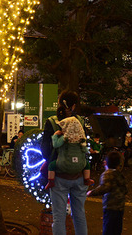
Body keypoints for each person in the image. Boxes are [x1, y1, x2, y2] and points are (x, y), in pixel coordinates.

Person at [41, 90, 89, 235]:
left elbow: (44, 150)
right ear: (73, 106)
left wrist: (56, 162)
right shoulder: (80, 121)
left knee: (59, 216)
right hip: (80, 175)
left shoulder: (52, 122)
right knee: (79, 214)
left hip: (59, 177)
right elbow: (85, 145)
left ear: (60, 104)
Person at [45, 115, 94, 190]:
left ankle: (50, 181)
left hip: (64, 163)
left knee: (51, 165)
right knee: (87, 164)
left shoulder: (64, 138)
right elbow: (84, 149)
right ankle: (87, 179)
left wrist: (55, 135)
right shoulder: (80, 138)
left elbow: (55, 145)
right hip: (80, 165)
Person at [87, 150, 128, 235]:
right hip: (120, 206)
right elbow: (125, 189)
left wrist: (91, 192)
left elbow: (104, 188)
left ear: (106, 163)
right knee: (117, 228)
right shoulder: (119, 174)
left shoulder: (107, 174)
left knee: (108, 228)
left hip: (110, 206)